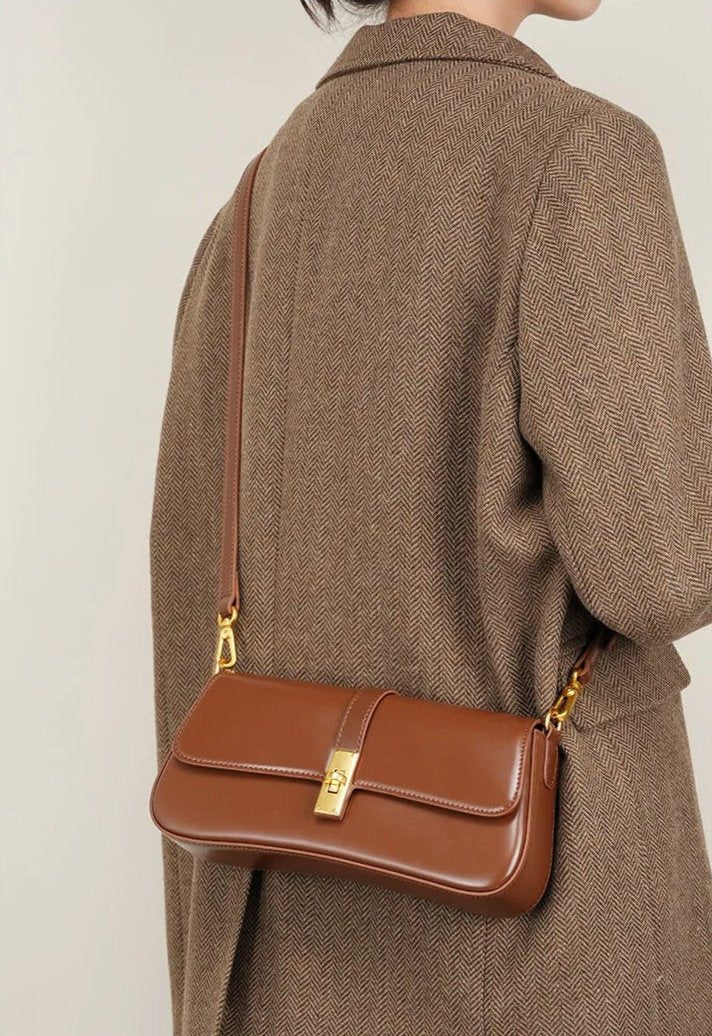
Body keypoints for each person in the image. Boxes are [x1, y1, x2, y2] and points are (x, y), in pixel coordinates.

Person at [150, 2, 712, 1034]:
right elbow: (664, 571)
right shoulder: (578, 158)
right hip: (548, 942)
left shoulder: (256, 199)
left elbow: (188, 589)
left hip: (289, 951)